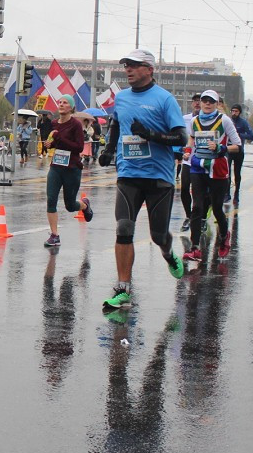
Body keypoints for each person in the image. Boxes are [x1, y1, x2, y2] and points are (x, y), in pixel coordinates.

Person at [97, 49, 187, 310]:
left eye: (134, 65)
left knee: (158, 236)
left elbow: (181, 138)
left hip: (159, 178)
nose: (128, 70)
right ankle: (123, 288)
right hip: (128, 175)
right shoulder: (122, 98)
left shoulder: (165, 99)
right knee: (124, 229)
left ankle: (169, 255)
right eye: (126, 65)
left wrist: (150, 134)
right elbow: (116, 125)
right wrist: (109, 151)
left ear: (149, 69)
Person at [181, 90, 241, 262]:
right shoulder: (195, 121)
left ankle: (224, 236)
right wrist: (187, 152)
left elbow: (237, 145)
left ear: (217, 104)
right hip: (198, 167)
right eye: (204, 101)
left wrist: (221, 148)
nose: (207, 104)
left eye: (211, 101)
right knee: (197, 207)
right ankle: (195, 248)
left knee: (216, 209)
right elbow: (192, 139)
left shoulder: (224, 121)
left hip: (218, 169)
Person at [43, 95, 93, 247]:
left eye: (65, 102)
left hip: (71, 168)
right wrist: (49, 144)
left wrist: (60, 139)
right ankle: (54, 235)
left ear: (71, 108)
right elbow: (55, 143)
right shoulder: (53, 123)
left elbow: (78, 147)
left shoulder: (75, 125)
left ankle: (84, 205)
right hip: (56, 166)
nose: (61, 104)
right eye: (60, 102)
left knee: (70, 205)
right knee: (51, 199)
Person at [179, 93, 201, 231]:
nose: (197, 103)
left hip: (202, 160)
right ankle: (188, 215)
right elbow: (180, 136)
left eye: (200, 101)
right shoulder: (185, 119)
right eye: (195, 101)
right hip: (187, 159)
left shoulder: (207, 120)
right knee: (184, 189)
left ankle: (200, 217)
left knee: (200, 192)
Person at [227, 104, 253, 205]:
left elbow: (252, 136)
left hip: (239, 150)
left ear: (239, 112)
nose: (234, 113)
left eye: (236, 111)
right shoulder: (228, 121)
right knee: (227, 172)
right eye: (232, 111)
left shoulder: (243, 123)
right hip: (229, 149)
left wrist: (239, 135)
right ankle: (227, 194)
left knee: (237, 173)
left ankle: (236, 194)